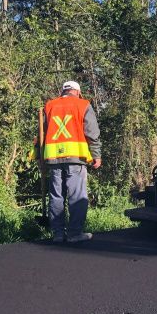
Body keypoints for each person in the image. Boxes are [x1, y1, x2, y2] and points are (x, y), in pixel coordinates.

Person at [42, 80, 101, 243]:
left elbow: (42, 133)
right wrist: (96, 154)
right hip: (76, 158)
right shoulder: (83, 105)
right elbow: (92, 132)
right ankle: (75, 234)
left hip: (53, 158)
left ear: (63, 91)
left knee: (56, 196)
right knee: (77, 196)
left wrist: (40, 157)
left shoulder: (49, 106)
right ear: (77, 91)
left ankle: (58, 234)